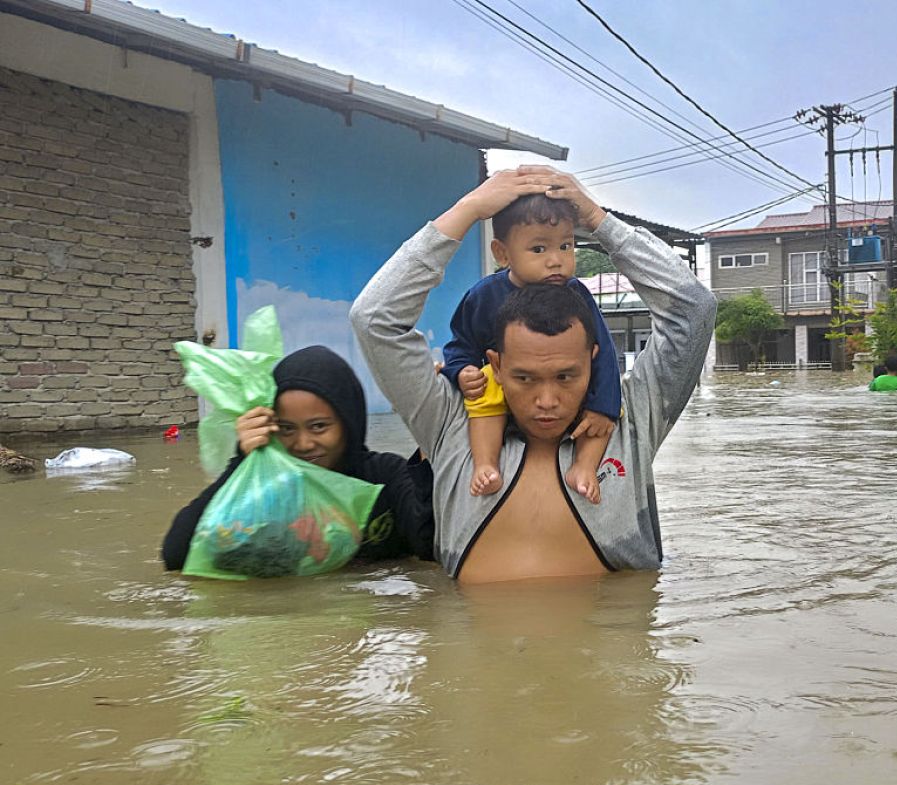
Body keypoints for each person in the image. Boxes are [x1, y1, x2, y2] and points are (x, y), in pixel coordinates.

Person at [350, 166, 717, 584]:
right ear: (496, 365)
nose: (547, 401)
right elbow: (373, 319)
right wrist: (468, 209)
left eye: (567, 377)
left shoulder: (625, 422)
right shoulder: (453, 423)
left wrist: (597, 220)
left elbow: (694, 310)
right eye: (524, 378)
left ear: (594, 359)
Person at [160, 345, 436, 571]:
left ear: (348, 423)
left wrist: (429, 434)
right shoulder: (267, 490)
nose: (303, 444)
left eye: (319, 426)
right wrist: (242, 461)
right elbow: (177, 555)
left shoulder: (384, 480)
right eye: (287, 429)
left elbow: (430, 544)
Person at [440, 193, 621, 504]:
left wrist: (603, 407)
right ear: (502, 253)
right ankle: (486, 464)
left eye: (566, 246)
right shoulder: (484, 295)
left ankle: (584, 466)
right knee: (485, 391)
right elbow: (461, 343)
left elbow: (603, 352)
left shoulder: (577, 295)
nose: (556, 260)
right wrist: (461, 371)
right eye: (539, 249)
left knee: (607, 411)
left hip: (569, 397)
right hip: (505, 389)